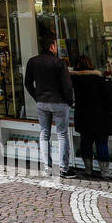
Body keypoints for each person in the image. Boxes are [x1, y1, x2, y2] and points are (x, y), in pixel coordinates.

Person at [24, 35, 76, 177]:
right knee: (62, 134)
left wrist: (37, 97)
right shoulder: (59, 63)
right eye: (56, 46)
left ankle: (47, 167)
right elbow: (67, 85)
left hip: (42, 102)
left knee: (44, 133)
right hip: (59, 102)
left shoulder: (32, 61)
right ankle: (64, 168)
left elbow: (27, 83)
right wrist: (69, 101)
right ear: (52, 47)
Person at [72, 55, 112, 180]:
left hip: (83, 117)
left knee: (85, 143)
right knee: (102, 143)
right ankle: (105, 171)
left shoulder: (75, 81)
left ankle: (88, 169)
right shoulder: (100, 80)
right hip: (100, 117)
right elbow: (109, 99)